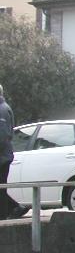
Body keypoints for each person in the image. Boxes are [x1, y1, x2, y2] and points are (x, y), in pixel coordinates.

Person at [0, 84, 28, 220]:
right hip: (3, 155)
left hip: (2, 157)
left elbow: (3, 136)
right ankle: (12, 209)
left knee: (1, 188)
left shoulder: (2, 110)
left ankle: (10, 210)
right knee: (1, 188)